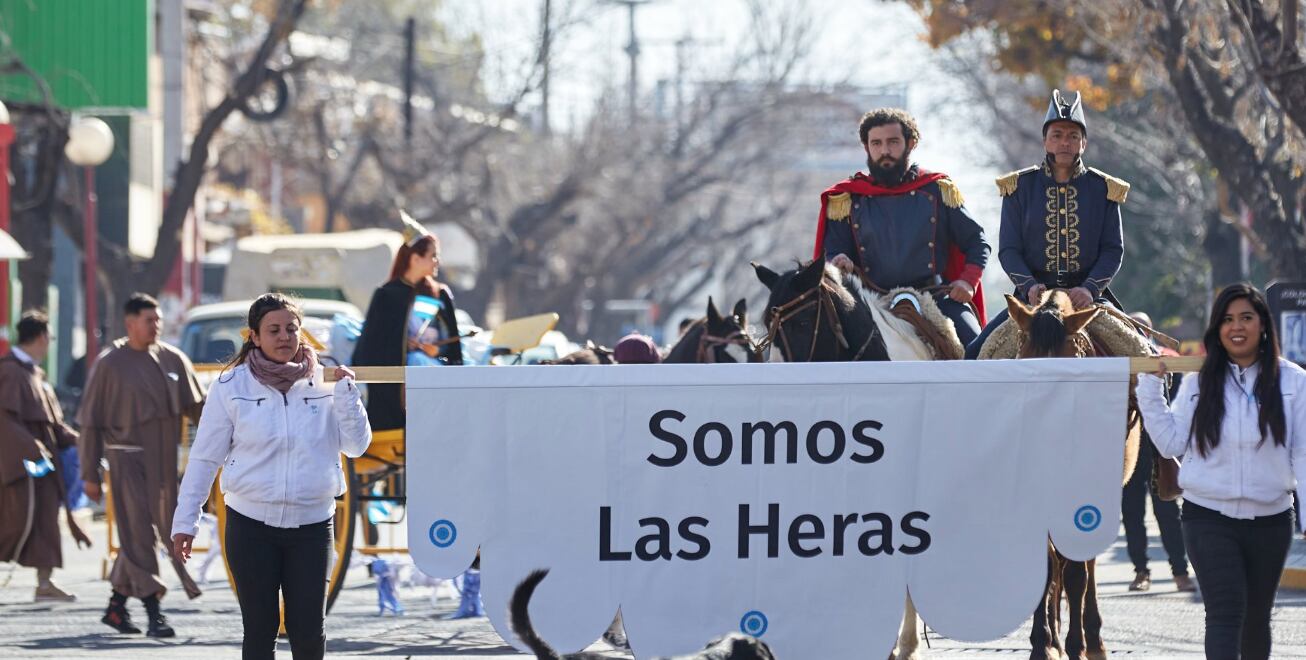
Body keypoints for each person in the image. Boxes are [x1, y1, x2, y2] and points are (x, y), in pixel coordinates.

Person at [171, 293, 371, 660]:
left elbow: (357, 446)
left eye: (292, 329)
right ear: (255, 336)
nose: (284, 337)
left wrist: (348, 396)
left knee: (308, 631)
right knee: (260, 630)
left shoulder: (327, 381)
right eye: (274, 329)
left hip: (312, 526)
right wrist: (186, 521)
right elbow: (203, 458)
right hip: (250, 527)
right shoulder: (230, 386)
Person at [1136, 283, 1306, 660]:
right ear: (1218, 328)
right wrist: (1150, 386)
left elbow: (1302, 453)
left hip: (1271, 520)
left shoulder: (1293, 380)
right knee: (1225, 614)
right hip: (1207, 518)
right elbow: (1171, 444)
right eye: (1227, 320)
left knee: (1258, 619)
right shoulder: (1199, 380)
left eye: (1246, 317)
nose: (1237, 327)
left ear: (1263, 324)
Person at [965, 90, 1129, 359]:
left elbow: (1113, 249)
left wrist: (1088, 289)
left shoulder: (1104, 189)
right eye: (1057, 135)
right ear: (1045, 141)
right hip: (1030, 301)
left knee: (1146, 355)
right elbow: (1009, 249)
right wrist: (1029, 286)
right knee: (973, 356)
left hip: (1089, 299)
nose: (1065, 142)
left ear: (1083, 143)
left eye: (1073, 136)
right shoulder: (1018, 187)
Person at [78, 293, 205, 636]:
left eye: (159, 320)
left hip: (165, 467)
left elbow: (201, 410)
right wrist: (89, 474)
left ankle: (116, 608)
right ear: (129, 323)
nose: (156, 326)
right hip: (127, 461)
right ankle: (154, 614)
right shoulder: (109, 364)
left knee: (163, 532)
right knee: (137, 537)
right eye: (149, 320)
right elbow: (89, 424)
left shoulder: (173, 359)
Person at [814, 107, 989, 347]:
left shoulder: (938, 190)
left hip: (936, 298)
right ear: (866, 147)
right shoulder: (847, 198)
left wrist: (967, 281)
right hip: (868, 303)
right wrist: (839, 259)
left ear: (911, 143)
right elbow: (831, 252)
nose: (884, 151)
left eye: (893, 142)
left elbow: (977, 241)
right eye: (876, 143)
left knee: (977, 349)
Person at [0, 310, 92, 602]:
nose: (49, 343)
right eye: (49, 338)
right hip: (19, 464)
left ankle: (44, 582)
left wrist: (79, 439)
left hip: (42, 465)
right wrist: (30, 446)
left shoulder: (34, 373)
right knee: (15, 522)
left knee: (46, 521)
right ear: (41, 337)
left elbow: (50, 423)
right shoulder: (10, 371)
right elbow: (5, 419)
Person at [352, 210, 463, 432]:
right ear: (415, 259)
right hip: (398, 389)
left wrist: (437, 352)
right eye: (433, 255)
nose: (437, 261)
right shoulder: (387, 295)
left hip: (435, 373)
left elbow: (454, 348)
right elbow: (371, 348)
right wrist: (404, 346)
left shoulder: (440, 295)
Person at [1120, 311, 1193, 593]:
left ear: (1151, 331)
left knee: (1168, 512)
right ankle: (1141, 571)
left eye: (1142, 329)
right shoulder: (1117, 361)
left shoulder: (1168, 358)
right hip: (1129, 447)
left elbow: (1179, 405)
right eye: (1132, 328)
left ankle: (1180, 571)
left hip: (1159, 450)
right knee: (1132, 513)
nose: (1139, 335)